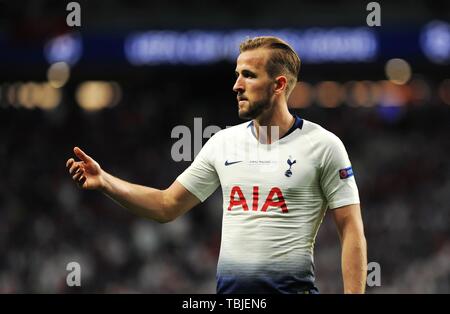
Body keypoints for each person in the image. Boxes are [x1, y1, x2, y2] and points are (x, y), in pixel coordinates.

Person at [66, 36, 367, 294]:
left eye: (248, 75)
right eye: (237, 74)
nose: (236, 85)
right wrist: (105, 181)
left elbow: (350, 227)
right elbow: (166, 205)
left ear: (279, 85)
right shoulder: (222, 143)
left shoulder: (324, 146)